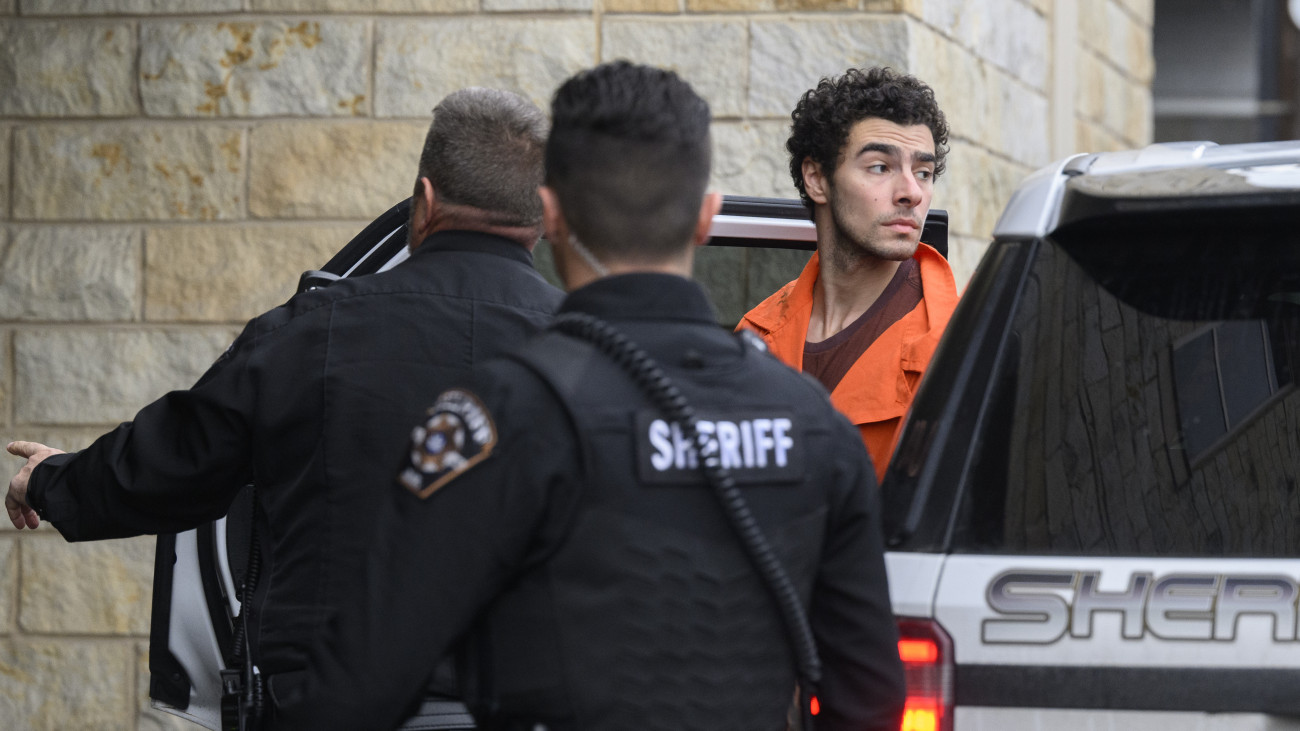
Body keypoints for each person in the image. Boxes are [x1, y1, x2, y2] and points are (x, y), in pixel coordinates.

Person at [274, 61, 905, 731]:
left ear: (549, 214)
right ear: (705, 216)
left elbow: (356, 688)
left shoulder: (498, 414)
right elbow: (867, 695)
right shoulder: (814, 423)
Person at [4, 88, 563, 722]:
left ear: (426, 202)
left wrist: (51, 479)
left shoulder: (314, 331)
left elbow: (174, 461)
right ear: (541, 216)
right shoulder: (597, 352)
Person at [738, 67, 960, 482]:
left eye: (924, 172)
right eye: (880, 167)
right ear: (817, 178)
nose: (911, 191)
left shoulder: (961, 345)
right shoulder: (755, 337)